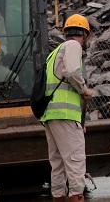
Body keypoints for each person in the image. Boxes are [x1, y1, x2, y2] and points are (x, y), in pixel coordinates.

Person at [41, 14, 94, 202]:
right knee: (75, 163)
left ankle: (58, 197)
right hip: (65, 114)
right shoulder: (73, 46)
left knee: (58, 165)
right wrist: (84, 88)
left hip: (51, 115)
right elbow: (72, 71)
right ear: (84, 35)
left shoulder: (53, 53)